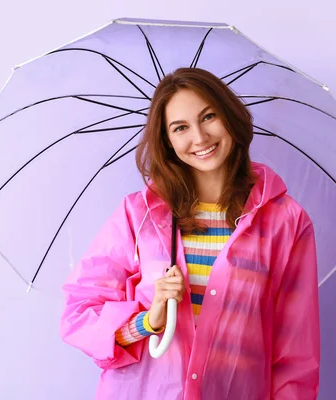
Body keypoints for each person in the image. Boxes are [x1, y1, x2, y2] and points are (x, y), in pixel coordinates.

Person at [60, 68, 320, 399]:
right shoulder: (138, 216)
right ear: (167, 141)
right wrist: (147, 320)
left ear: (231, 117)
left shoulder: (285, 221)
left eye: (209, 116)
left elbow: (295, 351)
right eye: (180, 127)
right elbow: (79, 313)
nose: (199, 137)